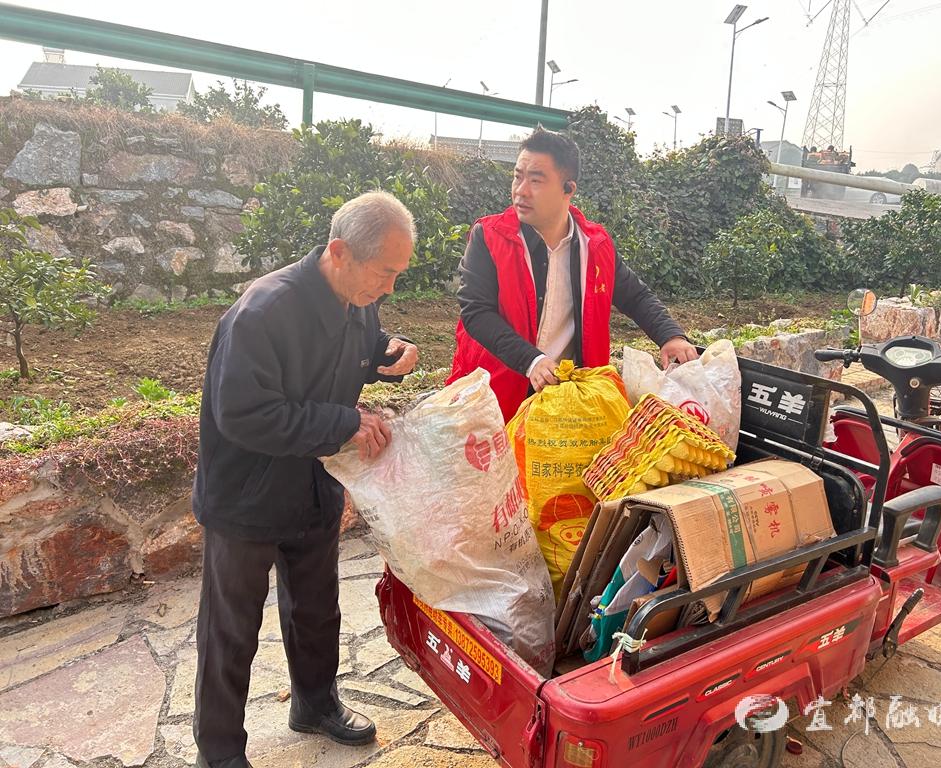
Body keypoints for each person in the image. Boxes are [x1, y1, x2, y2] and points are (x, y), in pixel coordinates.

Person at [191, 191, 420, 768]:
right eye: (384, 273)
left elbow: (355, 349)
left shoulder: (358, 299)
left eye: (397, 274)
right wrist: (345, 423)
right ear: (339, 252)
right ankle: (219, 752)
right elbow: (243, 414)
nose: (389, 288)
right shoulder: (263, 311)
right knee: (231, 629)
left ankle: (315, 705)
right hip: (247, 493)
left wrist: (388, 352)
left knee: (317, 607)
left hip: (314, 482)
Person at [447, 127, 697, 421]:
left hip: (568, 398)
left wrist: (670, 335)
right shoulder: (490, 237)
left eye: (536, 180)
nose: (521, 190)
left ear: (568, 189)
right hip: (496, 397)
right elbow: (477, 313)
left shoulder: (595, 246)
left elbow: (635, 296)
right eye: (517, 176)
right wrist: (531, 360)